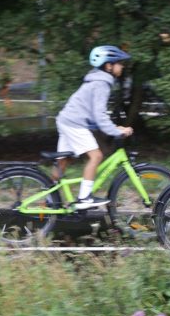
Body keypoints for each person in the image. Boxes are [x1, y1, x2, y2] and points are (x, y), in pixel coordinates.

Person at [53, 45, 134, 209]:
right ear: (108, 66)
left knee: (63, 161)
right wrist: (116, 131)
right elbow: (99, 115)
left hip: (67, 120)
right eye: (119, 63)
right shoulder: (101, 84)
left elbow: (95, 115)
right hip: (75, 123)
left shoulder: (97, 80)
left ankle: (48, 196)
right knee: (96, 156)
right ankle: (84, 198)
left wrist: (114, 128)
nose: (122, 66)